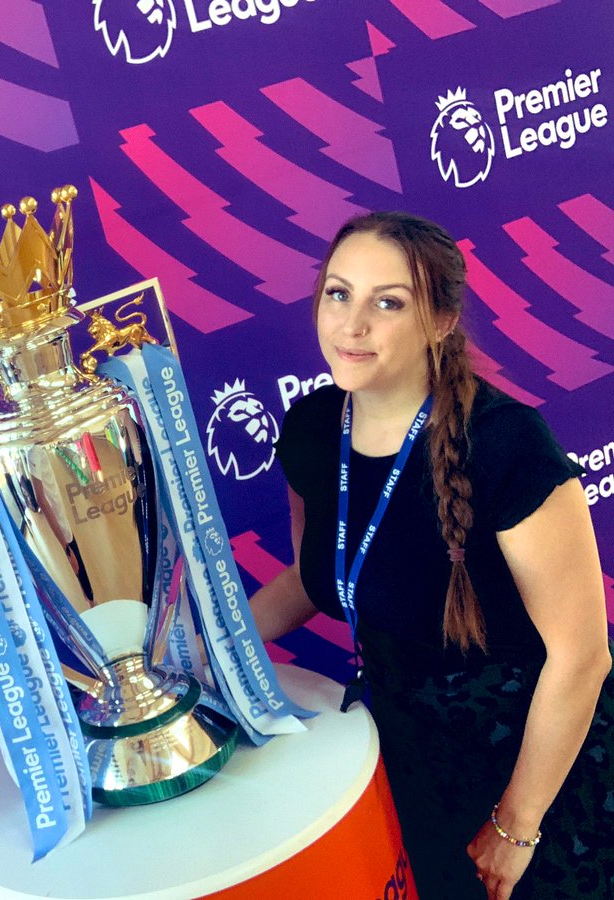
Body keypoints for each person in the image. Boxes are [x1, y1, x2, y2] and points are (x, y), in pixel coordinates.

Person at [250, 211, 613, 900]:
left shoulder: (505, 443)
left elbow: (582, 657)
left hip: (535, 766)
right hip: (405, 755)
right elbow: (315, 571)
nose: (352, 325)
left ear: (441, 322)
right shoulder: (312, 428)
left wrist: (517, 826)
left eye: (388, 303)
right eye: (338, 293)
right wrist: (210, 648)